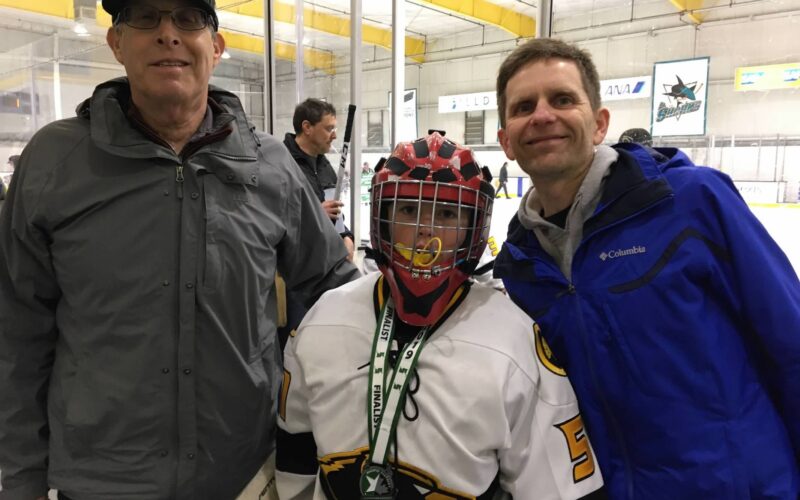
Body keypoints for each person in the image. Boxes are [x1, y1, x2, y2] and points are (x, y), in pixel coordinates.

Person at [0, 1, 359, 499]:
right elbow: (18, 334)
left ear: (216, 47)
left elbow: (336, 290)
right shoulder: (55, 162)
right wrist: (21, 481)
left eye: (188, 19)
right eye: (146, 17)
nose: (168, 33)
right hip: (104, 480)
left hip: (244, 475)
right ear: (116, 43)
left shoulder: (270, 166)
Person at [493, 37, 800, 499]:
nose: (542, 116)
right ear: (506, 141)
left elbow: (791, 342)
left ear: (599, 124)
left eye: (562, 99)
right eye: (523, 107)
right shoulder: (518, 267)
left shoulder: (692, 201)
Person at [275, 132, 606, 499]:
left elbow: (556, 487)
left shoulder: (516, 338)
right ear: (381, 217)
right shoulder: (325, 319)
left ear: (473, 229)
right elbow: (295, 459)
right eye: (408, 210)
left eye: (448, 213)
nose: (425, 231)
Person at [284, 98, 355, 261]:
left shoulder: (325, 166)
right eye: (329, 128)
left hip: (330, 262)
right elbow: (273, 218)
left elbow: (334, 213)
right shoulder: (282, 164)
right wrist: (314, 215)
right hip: (301, 268)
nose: (335, 135)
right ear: (307, 127)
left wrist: (347, 236)